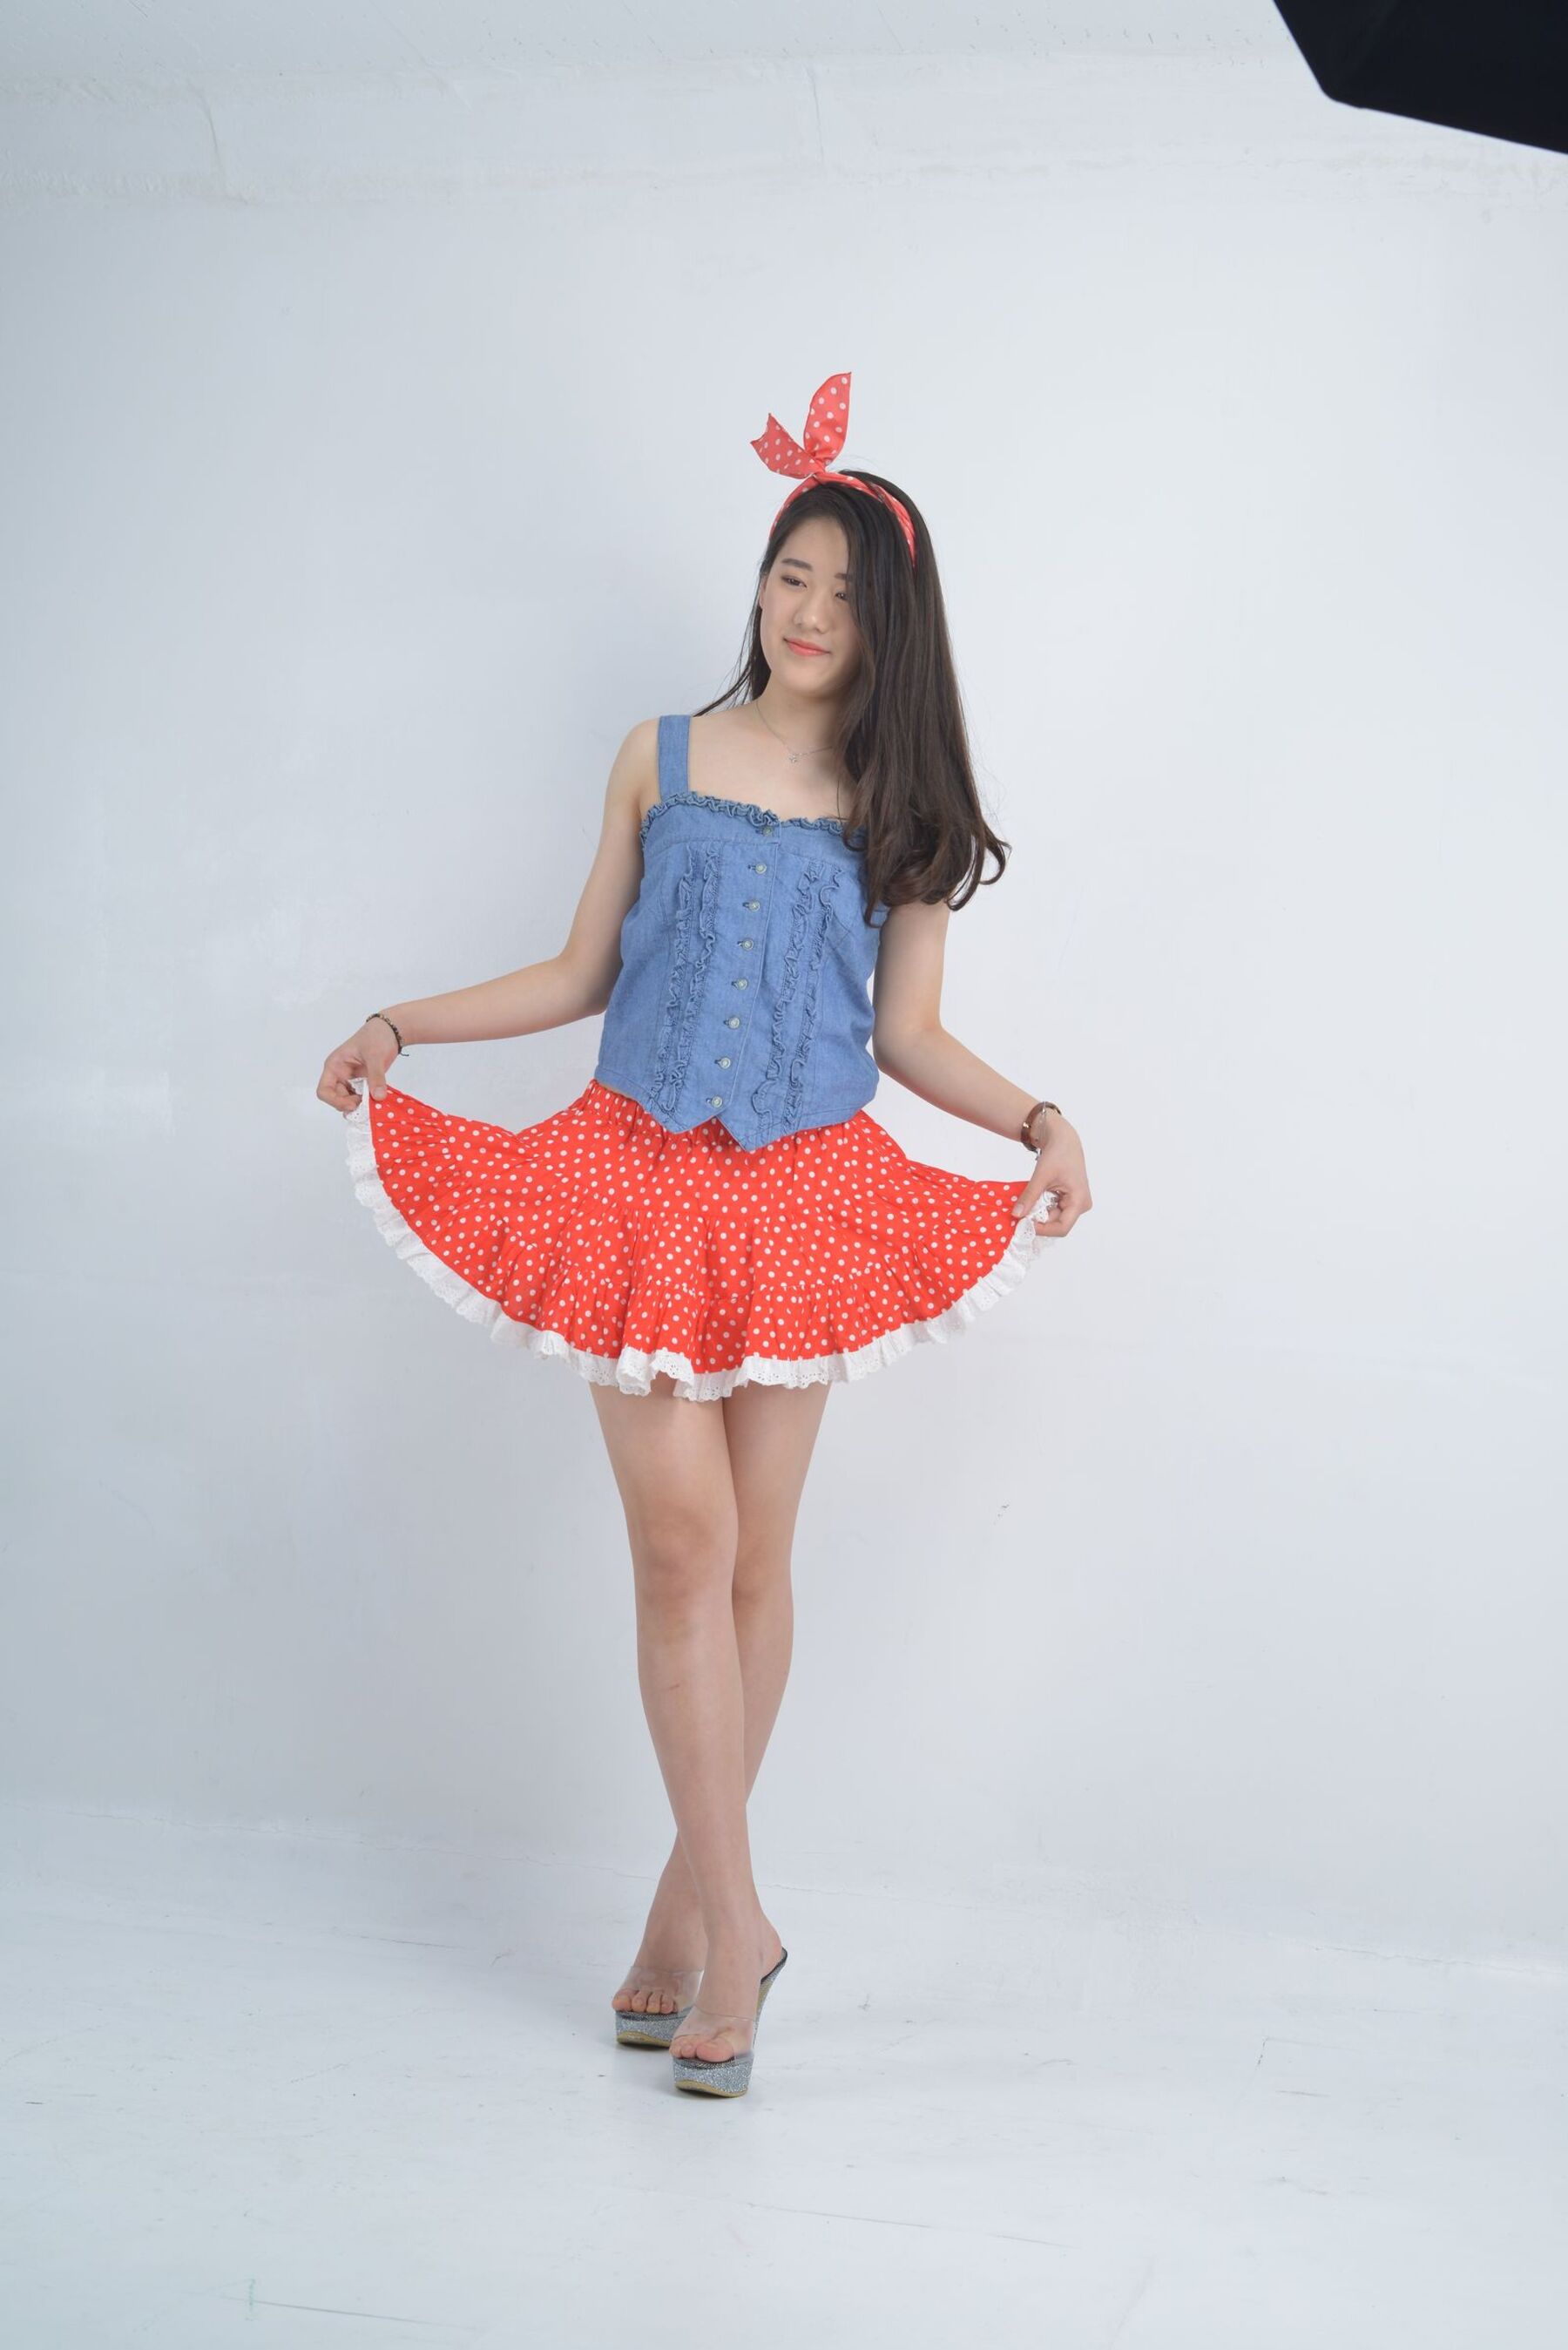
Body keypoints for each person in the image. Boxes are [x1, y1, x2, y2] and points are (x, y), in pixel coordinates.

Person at [316, 373, 1093, 2097]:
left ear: (890, 627)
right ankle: (745, 1929)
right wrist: (401, 1022)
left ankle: (686, 1914)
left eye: (842, 592)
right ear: (760, 584)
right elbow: (577, 970)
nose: (806, 611)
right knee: (681, 1546)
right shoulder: (657, 756)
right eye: (788, 575)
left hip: (803, 1194)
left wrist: (1037, 1117)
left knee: (754, 1563)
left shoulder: (897, 810)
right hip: (634, 1178)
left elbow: (907, 1036)